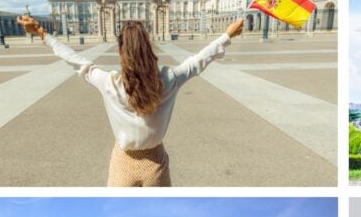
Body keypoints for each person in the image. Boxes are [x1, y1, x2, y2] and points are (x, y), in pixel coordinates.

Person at [16, 15, 245, 186]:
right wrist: (227, 35)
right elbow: (199, 60)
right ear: (149, 48)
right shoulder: (169, 79)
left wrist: (41, 32)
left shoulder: (110, 83)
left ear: (120, 51)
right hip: (155, 163)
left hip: (122, 163)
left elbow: (77, 62)